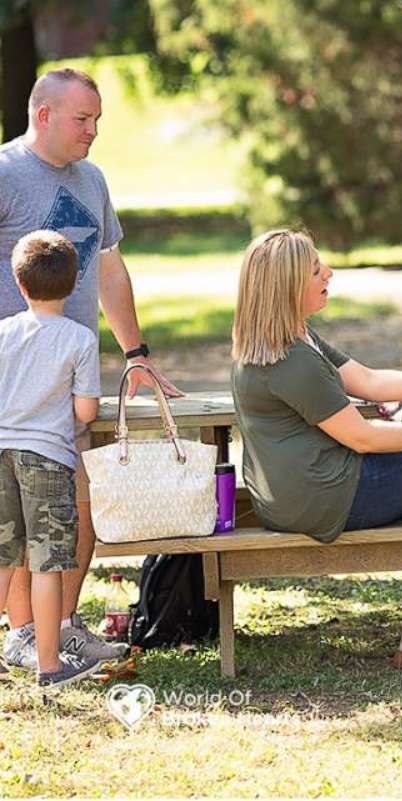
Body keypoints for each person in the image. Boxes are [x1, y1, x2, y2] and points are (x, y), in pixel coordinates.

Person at [231, 229, 402, 667]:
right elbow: (364, 437)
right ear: (287, 285)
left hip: (293, 495)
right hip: (322, 497)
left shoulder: (291, 337)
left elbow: (369, 381)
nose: (329, 272)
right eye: (316, 270)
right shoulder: (291, 360)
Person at [0, 68, 179, 670]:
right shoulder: (4, 173)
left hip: (72, 379)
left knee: (79, 508)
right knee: (28, 518)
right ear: (43, 114)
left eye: (98, 119)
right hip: (15, 388)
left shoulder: (93, 179)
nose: (93, 131)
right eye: (83, 119)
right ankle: (24, 633)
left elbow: (108, 269)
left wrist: (137, 354)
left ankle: (62, 625)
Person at [0, 231, 103, 687]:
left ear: (19, 283)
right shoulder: (78, 339)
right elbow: (86, 411)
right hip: (47, 460)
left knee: (3, 558)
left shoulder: (2, 332)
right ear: (75, 281)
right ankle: (49, 665)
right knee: (47, 564)